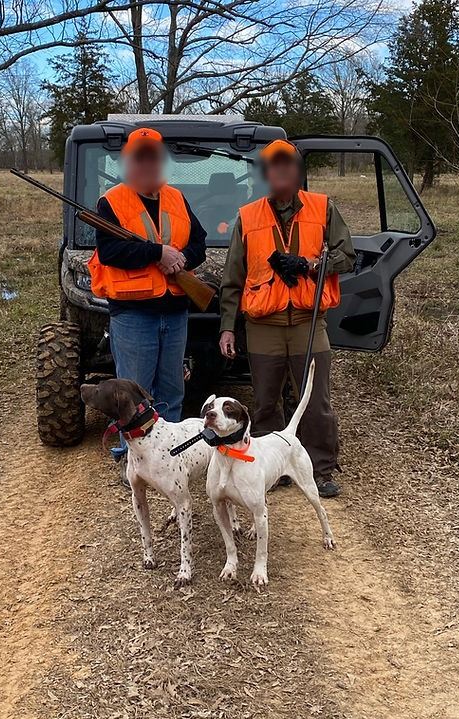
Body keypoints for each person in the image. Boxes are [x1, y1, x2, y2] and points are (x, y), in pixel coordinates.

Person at [218, 139, 355, 497]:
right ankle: (271, 470)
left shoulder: (323, 208)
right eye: (273, 165)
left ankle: (320, 469)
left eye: (287, 164)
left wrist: (311, 264)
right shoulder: (248, 216)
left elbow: (347, 256)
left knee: (316, 401)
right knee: (266, 403)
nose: (281, 171)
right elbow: (233, 278)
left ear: (297, 171)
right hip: (263, 326)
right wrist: (227, 327)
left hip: (309, 323)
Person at [94, 127, 207, 467]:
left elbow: (199, 242)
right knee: (132, 394)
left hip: (174, 311)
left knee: (172, 389)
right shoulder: (111, 201)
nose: (147, 164)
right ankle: (134, 462)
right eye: (140, 158)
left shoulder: (177, 198)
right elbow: (110, 252)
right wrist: (157, 253)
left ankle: (169, 459)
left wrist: (181, 259)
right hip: (133, 315)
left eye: (153, 157)